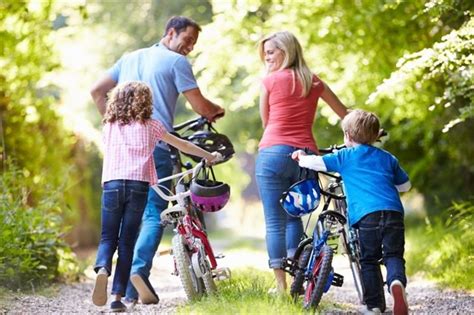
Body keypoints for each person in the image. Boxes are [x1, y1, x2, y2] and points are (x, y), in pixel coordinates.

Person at [90, 16, 224, 305]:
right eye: (187, 40)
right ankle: (137, 273)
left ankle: (113, 279)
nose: (189, 47)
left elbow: (96, 90)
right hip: (158, 147)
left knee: (115, 230)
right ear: (170, 32)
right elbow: (200, 106)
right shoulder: (176, 63)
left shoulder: (129, 58)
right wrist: (215, 110)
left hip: (117, 166)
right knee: (153, 214)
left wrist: (111, 119)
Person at [255, 30, 348, 293]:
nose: (266, 56)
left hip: (273, 154)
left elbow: (265, 122)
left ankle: (281, 287)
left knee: (274, 221)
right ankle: (297, 278)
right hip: (306, 157)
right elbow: (344, 115)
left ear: (286, 51)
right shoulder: (313, 81)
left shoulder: (269, 81)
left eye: (271, 51)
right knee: (294, 218)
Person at [292, 109, 411, 315]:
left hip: (366, 216)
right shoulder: (388, 158)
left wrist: (301, 157)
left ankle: (374, 306)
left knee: (369, 259)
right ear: (375, 136)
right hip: (393, 213)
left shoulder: (345, 156)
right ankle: (396, 282)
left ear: (347, 135)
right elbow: (405, 186)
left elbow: (317, 162)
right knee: (393, 255)